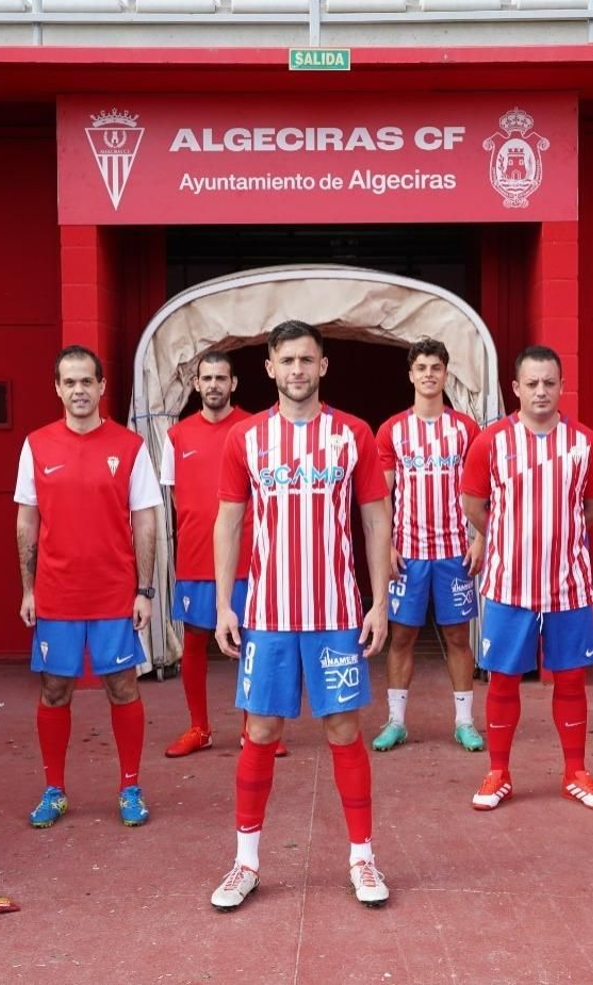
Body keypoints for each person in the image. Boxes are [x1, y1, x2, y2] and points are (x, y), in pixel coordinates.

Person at [207, 320, 394, 911]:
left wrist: (380, 601)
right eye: (286, 360)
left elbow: (375, 519)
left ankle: (362, 858)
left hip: (336, 614)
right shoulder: (245, 439)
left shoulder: (352, 435)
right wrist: (222, 607)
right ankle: (245, 863)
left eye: (306, 360)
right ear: (268, 367)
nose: (297, 371)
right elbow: (229, 522)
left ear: (323, 366)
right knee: (260, 732)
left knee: (343, 731)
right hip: (266, 614)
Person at [460, 344, 593, 813]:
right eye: (532, 384)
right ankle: (498, 772)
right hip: (509, 585)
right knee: (503, 681)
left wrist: (559, 538)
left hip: (569, 585)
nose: (541, 391)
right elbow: (473, 504)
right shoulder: (490, 441)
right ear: (516, 388)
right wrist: (510, 538)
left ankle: (575, 771)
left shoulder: (586, 442)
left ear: (562, 385)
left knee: (570, 681)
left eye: (550, 383)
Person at [16, 345, 161, 829]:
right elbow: (26, 522)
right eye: (69, 382)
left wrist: (145, 590)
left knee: (122, 687)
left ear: (102, 387)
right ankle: (54, 789)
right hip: (56, 594)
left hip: (114, 595)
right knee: (55, 690)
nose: (79, 390)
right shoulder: (36, 445)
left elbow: (145, 521)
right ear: (57, 388)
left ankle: (130, 786)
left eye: (87, 382)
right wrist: (28, 589)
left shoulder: (130, 446)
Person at [160, 351, 287, 758]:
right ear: (195, 385)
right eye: (206, 378)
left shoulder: (257, 429)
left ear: (234, 384)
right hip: (196, 559)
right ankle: (200, 728)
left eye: (221, 378)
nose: (213, 385)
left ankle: (255, 730)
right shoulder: (176, 435)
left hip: (251, 560)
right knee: (195, 640)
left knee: (254, 643)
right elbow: (179, 498)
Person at [371, 338, 484, 753]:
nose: (429, 374)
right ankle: (396, 722)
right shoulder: (392, 430)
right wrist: (386, 546)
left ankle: (465, 722)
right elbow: (381, 495)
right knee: (401, 637)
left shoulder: (465, 430)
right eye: (421, 367)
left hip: (455, 551)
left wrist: (481, 536)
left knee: (457, 636)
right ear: (411, 375)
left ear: (445, 373)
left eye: (436, 367)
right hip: (410, 553)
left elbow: (482, 488)